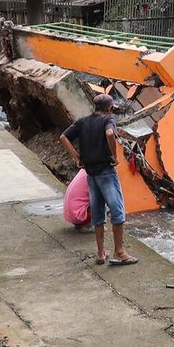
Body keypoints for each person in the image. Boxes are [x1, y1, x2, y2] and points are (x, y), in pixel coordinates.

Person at [60, 93, 138, 266]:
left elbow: (63, 137)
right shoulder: (108, 120)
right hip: (106, 171)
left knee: (97, 212)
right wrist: (114, 155)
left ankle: (101, 253)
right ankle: (120, 252)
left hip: (91, 173)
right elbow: (110, 134)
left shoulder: (82, 121)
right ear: (109, 108)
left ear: (94, 107)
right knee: (117, 210)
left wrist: (76, 157)